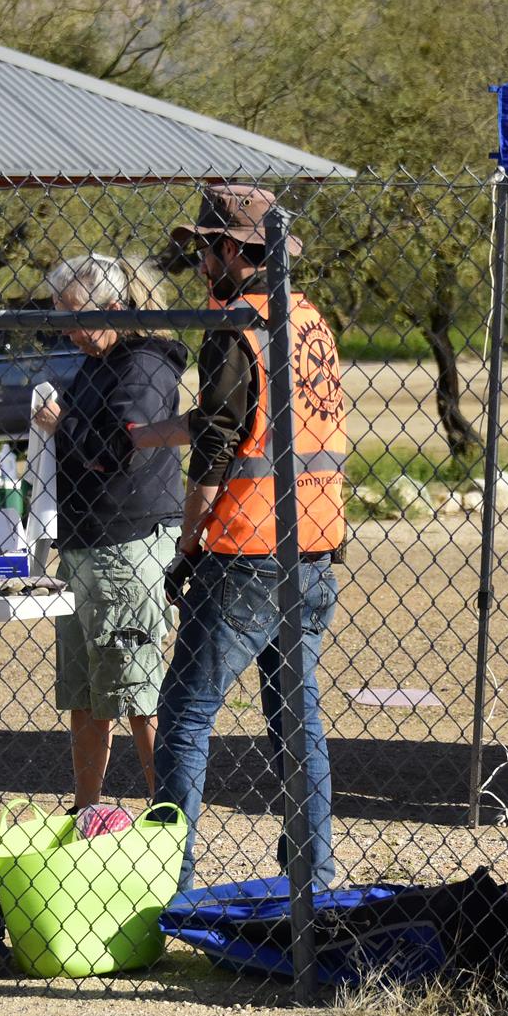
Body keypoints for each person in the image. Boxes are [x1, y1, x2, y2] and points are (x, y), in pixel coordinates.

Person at [131, 185, 347, 891]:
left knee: (184, 715)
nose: (200, 265)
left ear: (230, 249)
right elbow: (245, 421)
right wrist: (145, 436)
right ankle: (312, 879)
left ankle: (172, 885)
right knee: (296, 719)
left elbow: (219, 446)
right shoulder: (308, 320)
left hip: (248, 550)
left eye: (205, 250)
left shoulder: (236, 326)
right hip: (314, 545)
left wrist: (188, 544)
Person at [28, 254, 185, 823]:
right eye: (60, 317)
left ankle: (170, 822)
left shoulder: (142, 366)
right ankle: (85, 813)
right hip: (87, 543)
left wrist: (62, 424)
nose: (67, 330)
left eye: (75, 316)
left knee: (138, 693)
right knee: (87, 696)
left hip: (126, 544)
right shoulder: (98, 362)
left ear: (114, 308)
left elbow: (120, 449)